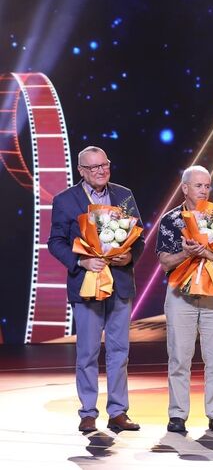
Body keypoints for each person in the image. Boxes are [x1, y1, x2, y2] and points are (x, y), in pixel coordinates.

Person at [47, 146, 143, 433]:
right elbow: (55, 242)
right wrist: (81, 261)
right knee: (87, 352)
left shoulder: (124, 195)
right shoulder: (65, 200)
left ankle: (118, 412)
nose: (101, 171)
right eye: (94, 167)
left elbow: (138, 237)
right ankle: (88, 412)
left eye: (104, 165)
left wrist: (129, 256)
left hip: (120, 283)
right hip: (86, 284)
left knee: (119, 351)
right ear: (81, 170)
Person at [156, 165, 213, 434]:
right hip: (181, 293)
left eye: (207, 185)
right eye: (198, 185)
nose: (204, 190)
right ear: (185, 188)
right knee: (179, 356)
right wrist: (187, 253)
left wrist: (208, 253)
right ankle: (177, 414)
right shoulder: (170, 220)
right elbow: (165, 262)